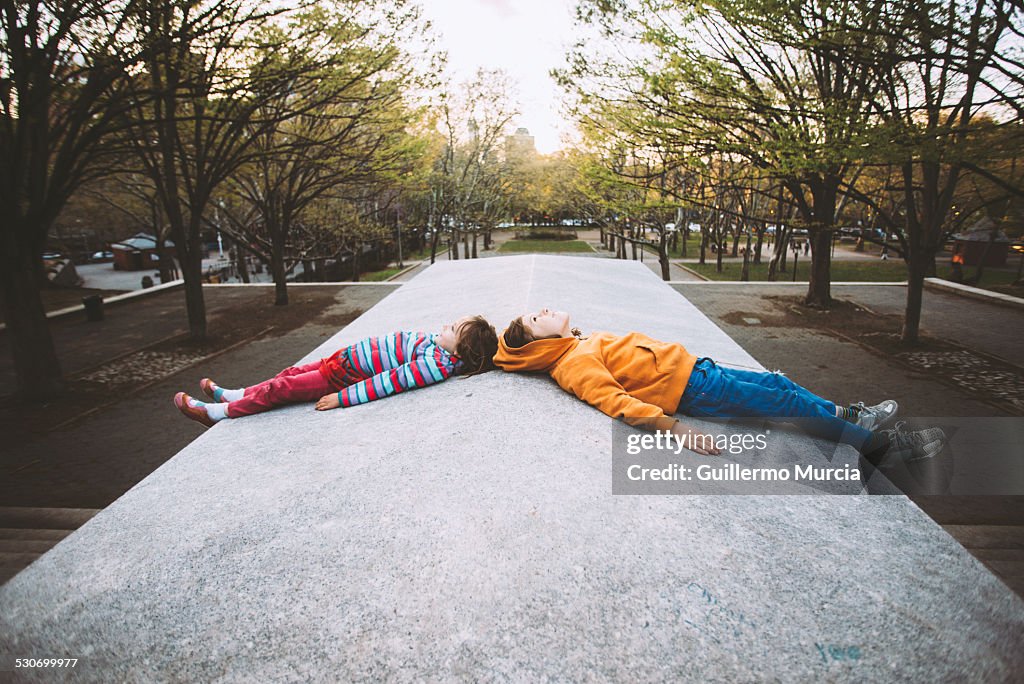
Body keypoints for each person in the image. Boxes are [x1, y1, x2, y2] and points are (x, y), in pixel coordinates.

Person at [494, 308, 946, 464]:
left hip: (701, 371)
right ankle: (878, 447)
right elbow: (616, 402)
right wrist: (674, 428)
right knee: (786, 403)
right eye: (537, 319)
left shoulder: (577, 341)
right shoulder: (571, 364)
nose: (545, 310)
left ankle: (849, 414)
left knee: (777, 382)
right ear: (539, 344)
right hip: (697, 391)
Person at [174, 315, 499, 427]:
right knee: (287, 374)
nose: (444, 326)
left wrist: (341, 398)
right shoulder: (436, 346)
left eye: (452, 328)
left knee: (281, 390)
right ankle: (236, 393)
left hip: (341, 377)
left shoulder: (434, 365)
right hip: (343, 360)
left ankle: (219, 412)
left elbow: (388, 382)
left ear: (460, 351)